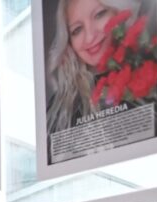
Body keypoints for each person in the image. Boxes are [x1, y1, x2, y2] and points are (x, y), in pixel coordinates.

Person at [46, 0, 144, 135]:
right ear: (69, 42)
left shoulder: (147, 68)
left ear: (118, 10)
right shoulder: (60, 107)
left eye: (99, 14)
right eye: (77, 29)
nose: (90, 37)